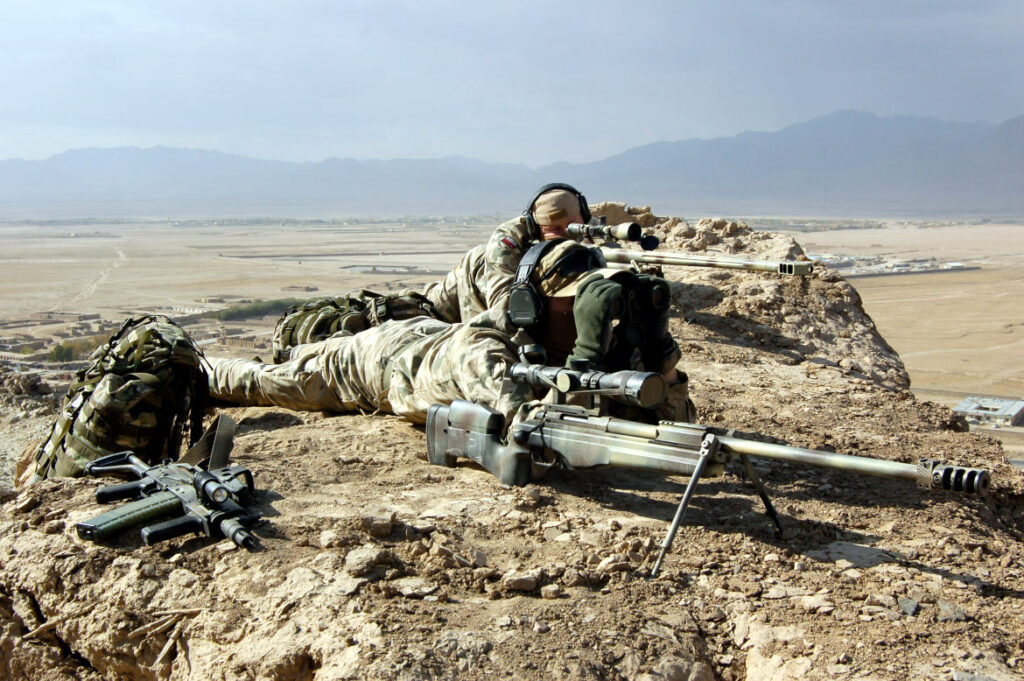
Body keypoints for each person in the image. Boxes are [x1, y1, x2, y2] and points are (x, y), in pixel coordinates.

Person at [209, 240, 696, 428]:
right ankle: (203, 366)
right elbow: (535, 427)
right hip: (373, 362)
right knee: (268, 380)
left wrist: (659, 354)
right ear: (532, 306)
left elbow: (678, 418)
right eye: (574, 301)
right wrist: (586, 359)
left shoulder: (595, 337)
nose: (587, 314)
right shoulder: (482, 351)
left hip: (425, 335)